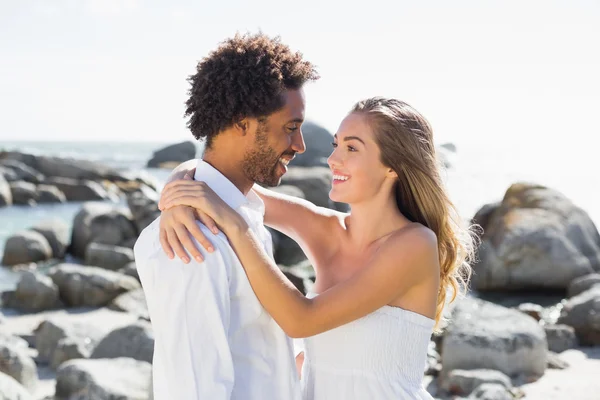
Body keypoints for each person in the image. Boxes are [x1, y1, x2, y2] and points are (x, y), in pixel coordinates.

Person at [158, 97, 478, 399]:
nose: (333, 159)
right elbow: (218, 184)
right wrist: (177, 192)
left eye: (352, 148)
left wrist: (238, 228)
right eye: (336, 144)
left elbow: (302, 319)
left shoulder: (415, 244)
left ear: (393, 166)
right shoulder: (322, 227)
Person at [133, 32, 318, 399]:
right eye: (291, 128)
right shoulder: (191, 238)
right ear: (242, 123)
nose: (299, 146)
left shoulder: (245, 217)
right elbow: (195, 388)